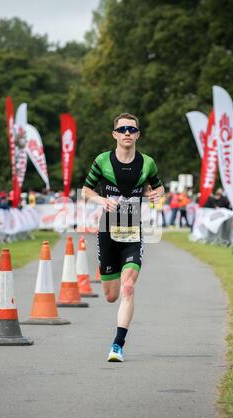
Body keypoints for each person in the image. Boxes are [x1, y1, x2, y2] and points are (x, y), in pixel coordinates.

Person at [82, 112, 164, 362]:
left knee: (128, 287)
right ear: (114, 134)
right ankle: (112, 282)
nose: (127, 133)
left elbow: (159, 187)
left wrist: (157, 194)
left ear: (138, 134)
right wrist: (99, 199)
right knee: (111, 296)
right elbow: (86, 189)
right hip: (107, 233)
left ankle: (117, 345)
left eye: (132, 129)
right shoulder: (102, 160)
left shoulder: (147, 163)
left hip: (133, 232)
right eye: (123, 129)